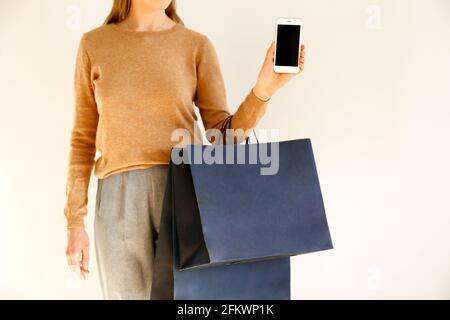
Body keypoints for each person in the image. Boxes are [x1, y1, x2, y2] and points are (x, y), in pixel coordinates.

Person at [64, 0, 306, 299]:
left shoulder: (195, 45)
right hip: (119, 199)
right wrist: (75, 221)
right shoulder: (94, 44)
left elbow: (222, 138)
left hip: (185, 190)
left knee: (190, 300)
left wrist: (263, 91)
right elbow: (83, 139)